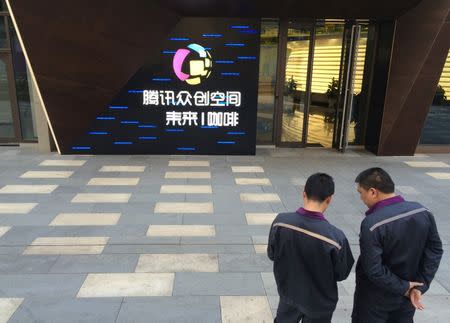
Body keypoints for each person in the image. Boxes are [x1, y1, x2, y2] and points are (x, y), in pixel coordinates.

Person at [352, 167, 443, 323]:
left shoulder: (372, 224)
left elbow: (373, 270)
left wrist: (405, 287)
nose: (361, 198)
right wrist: (419, 286)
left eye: (361, 193)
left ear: (373, 192)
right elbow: (435, 250)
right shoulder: (423, 211)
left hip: (375, 300)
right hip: (407, 298)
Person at [268, 173, 354, 323]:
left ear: (303, 193)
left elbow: (272, 254)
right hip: (319, 302)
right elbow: (341, 274)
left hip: (288, 294)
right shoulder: (336, 238)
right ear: (329, 199)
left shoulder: (280, 222)